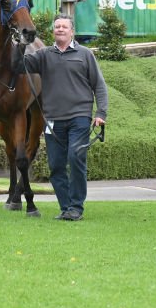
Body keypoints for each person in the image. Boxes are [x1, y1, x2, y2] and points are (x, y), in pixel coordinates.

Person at [22, 14, 108, 222]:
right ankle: (66, 207)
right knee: (56, 165)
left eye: (64, 27)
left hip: (79, 116)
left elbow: (99, 85)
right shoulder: (43, 55)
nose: (60, 29)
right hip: (52, 119)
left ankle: (76, 206)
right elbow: (19, 66)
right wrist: (18, 45)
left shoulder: (85, 54)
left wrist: (101, 113)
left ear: (72, 31)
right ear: (53, 31)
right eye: (57, 27)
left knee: (75, 157)